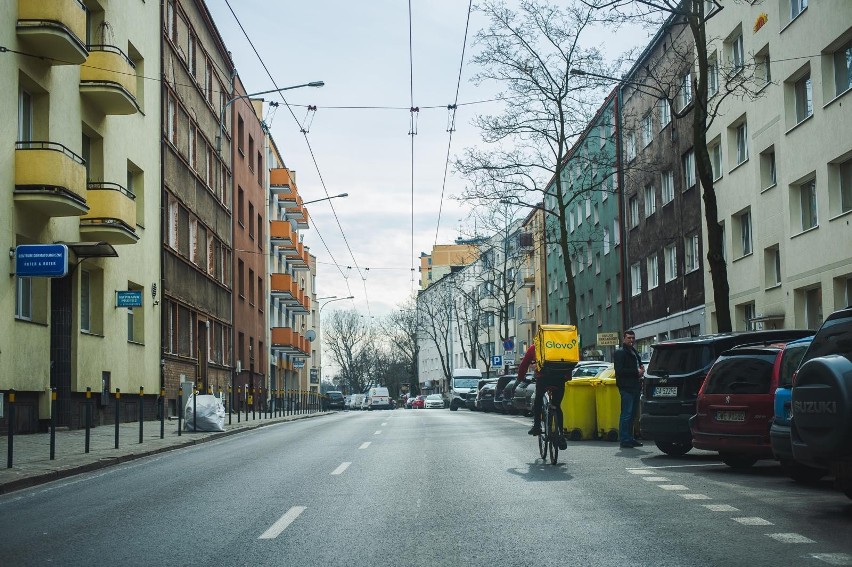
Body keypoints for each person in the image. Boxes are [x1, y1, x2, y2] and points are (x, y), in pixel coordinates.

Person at [517, 344, 568, 450]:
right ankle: (561, 435)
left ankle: (537, 427)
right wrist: (567, 376)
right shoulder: (562, 346)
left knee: (538, 399)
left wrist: (521, 377)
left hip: (543, 379)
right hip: (560, 379)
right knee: (557, 406)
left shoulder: (535, 347)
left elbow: (524, 364)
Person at [614, 330, 645, 448]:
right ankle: (624, 439)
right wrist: (636, 372)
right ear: (624, 338)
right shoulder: (620, 352)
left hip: (635, 386)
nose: (631, 340)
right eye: (629, 338)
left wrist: (641, 369)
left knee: (632, 414)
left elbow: (637, 366)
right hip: (626, 387)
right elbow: (619, 370)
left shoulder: (633, 351)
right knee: (626, 414)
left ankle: (630, 438)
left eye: (633, 338)